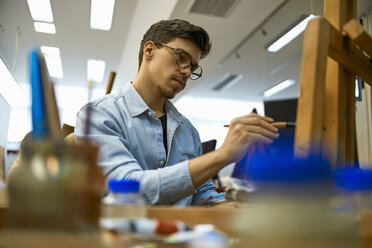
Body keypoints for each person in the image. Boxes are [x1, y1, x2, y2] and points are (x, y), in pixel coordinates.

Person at [75, 19, 279, 206]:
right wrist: (223, 155)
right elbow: (129, 189)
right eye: (181, 57)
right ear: (149, 50)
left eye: (192, 67)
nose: (187, 72)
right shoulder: (99, 116)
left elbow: (202, 195)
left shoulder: (189, 131)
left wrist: (244, 204)